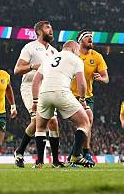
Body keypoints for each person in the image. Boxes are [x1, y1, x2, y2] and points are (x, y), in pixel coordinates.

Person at [31, 40, 93, 168]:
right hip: (62, 92)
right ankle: (76, 155)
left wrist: (35, 100)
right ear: (75, 49)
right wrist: (82, 100)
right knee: (84, 122)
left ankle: (39, 162)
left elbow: (36, 80)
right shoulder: (76, 59)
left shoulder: (49, 58)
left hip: (44, 93)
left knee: (40, 128)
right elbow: (81, 83)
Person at [13, 21, 62, 168]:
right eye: (48, 27)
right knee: (39, 121)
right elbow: (17, 69)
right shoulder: (30, 47)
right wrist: (32, 66)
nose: (51, 30)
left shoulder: (54, 51)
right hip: (30, 87)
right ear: (39, 31)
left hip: (47, 88)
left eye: (51, 27)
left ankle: (54, 161)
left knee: (52, 122)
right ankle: (39, 160)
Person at [70, 30, 109, 164]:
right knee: (84, 121)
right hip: (69, 94)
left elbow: (106, 78)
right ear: (80, 40)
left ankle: (83, 153)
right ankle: (79, 153)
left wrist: (101, 78)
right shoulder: (73, 54)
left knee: (88, 119)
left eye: (92, 37)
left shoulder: (97, 56)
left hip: (87, 96)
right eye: (87, 37)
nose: (91, 39)